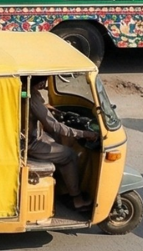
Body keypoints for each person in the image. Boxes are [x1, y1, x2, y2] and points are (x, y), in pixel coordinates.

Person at [28, 75, 98, 210]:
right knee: (69, 154)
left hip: (35, 135)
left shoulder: (29, 90)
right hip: (29, 144)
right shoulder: (31, 96)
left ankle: (64, 189)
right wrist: (84, 134)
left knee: (58, 141)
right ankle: (77, 199)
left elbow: (42, 106)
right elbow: (54, 126)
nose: (45, 83)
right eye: (44, 80)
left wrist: (51, 109)